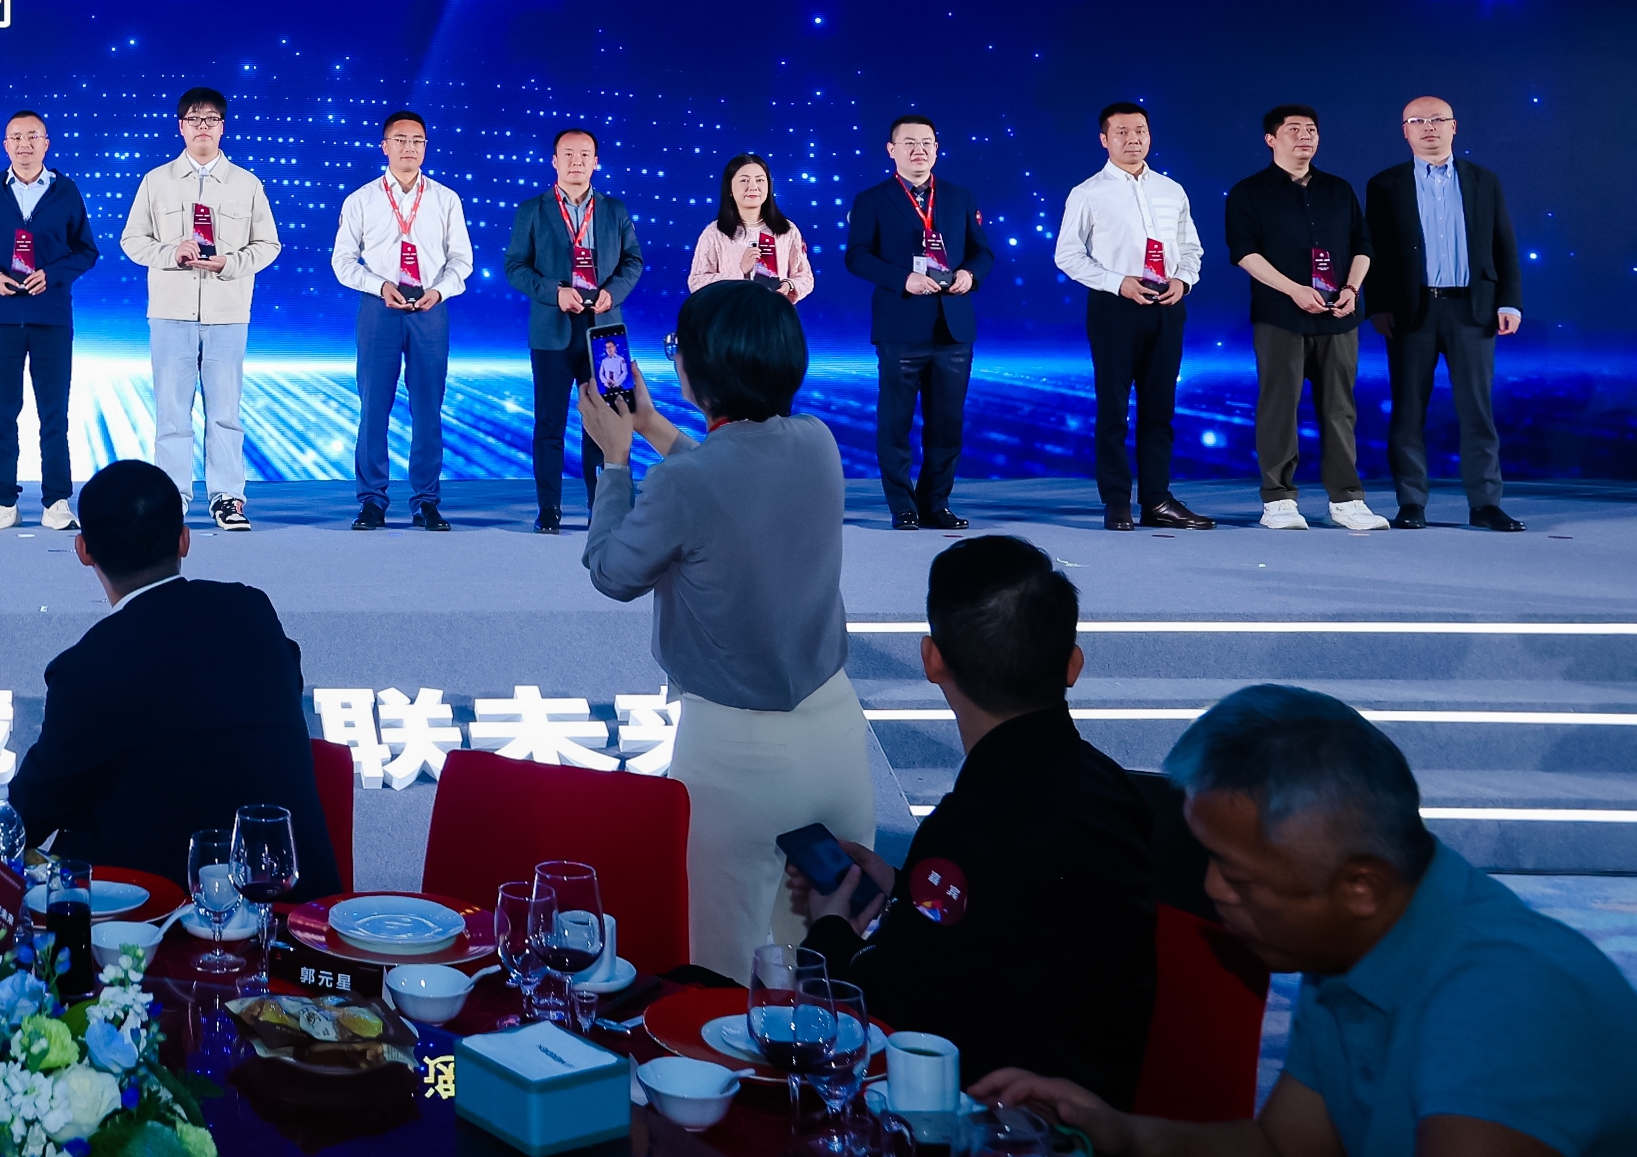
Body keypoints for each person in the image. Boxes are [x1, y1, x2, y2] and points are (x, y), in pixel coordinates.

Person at [975, 684, 1637, 1157]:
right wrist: (1117, 1130)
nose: (1211, 891)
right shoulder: (1359, 944)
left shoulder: (1504, 1004)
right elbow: (1282, 1144)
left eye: (1239, 877)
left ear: (1359, 886)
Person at [786, 537, 1155, 1105]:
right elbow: (1008, 918)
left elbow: (880, 1008)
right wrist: (902, 888)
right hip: (1103, 1101)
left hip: (993, 1117)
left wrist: (829, 929)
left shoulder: (966, 827)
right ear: (1073, 664)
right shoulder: (1118, 791)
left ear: (931, 660)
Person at [577, 280, 871, 978]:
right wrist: (652, 427)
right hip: (835, 731)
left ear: (700, 368)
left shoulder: (688, 484)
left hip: (734, 757)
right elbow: (728, 478)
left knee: (719, 975)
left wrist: (616, 459)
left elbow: (612, 571)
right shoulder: (818, 441)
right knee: (827, 963)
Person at [8, 459, 342, 898]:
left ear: (83, 550)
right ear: (185, 539)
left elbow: (24, 821)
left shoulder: (87, 670)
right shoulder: (253, 611)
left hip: (161, 922)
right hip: (302, 911)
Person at [121, 87, 281, 532]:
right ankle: (170, 499)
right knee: (172, 413)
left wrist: (230, 263)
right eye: (194, 119)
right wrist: (171, 252)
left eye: (211, 119)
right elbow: (132, 241)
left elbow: (269, 245)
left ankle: (227, 498)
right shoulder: (156, 181)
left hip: (227, 313)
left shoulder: (246, 183)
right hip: (170, 312)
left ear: (223, 127)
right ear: (181, 127)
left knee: (225, 412)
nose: (203, 127)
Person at [1366, 98, 1528, 532]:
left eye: (1438, 120)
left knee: (1477, 411)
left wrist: (1509, 301)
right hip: (1410, 312)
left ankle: (1485, 504)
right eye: (1418, 121)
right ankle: (1411, 503)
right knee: (1407, 411)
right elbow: (1374, 252)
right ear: (1405, 130)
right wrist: (1377, 305)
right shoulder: (1384, 184)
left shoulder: (1483, 180)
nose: (1429, 127)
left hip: (1472, 310)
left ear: (1454, 127)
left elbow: (1504, 244)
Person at [1055, 103, 1215, 533]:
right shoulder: (1087, 193)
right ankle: (1116, 501)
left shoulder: (1171, 190)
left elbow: (1192, 248)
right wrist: (1117, 282)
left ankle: (1157, 499)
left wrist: (1184, 280)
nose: (1133, 139)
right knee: (1113, 409)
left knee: (1160, 409)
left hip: (1167, 305)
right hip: (1115, 307)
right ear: (1104, 140)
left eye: (1140, 130)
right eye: (1122, 132)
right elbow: (1067, 255)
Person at [1224, 105, 1380, 535]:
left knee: (1340, 409)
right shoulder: (1249, 192)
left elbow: (1363, 245)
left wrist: (1351, 290)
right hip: (1281, 317)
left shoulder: (1339, 189)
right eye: (1293, 129)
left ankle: (1346, 500)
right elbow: (1244, 253)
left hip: (1339, 317)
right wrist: (1293, 289)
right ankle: (1278, 499)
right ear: (1271, 139)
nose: (1305, 136)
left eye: (1311, 129)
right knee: (1279, 407)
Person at [842, 115, 995, 531]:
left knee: (947, 423)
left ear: (937, 149)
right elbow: (856, 256)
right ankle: (902, 506)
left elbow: (983, 252)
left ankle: (936, 503)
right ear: (891, 150)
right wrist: (902, 279)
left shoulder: (959, 196)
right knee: (895, 423)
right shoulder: (872, 199)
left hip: (953, 326)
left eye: (927, 142)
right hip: (900, 324)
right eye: (909, 143)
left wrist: (970, 275)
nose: (919, 150)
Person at [0, 111, 100, 532]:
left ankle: (56, 501)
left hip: (51, 316)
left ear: (46, 143)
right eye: (16, 137)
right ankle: (3, 501)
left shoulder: (65, 190)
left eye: (32, 136)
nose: (24, 144)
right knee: (3, 412)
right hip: (1, 318)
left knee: (54, 413)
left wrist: (52, 275)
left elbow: (87, 251)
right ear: (5, 145)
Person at [330, 108, 474, 531]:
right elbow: (342, 261)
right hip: (381, 308)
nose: (409, 147)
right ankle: (372, 500)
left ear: (425, 147)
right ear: (384, 146)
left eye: (417, 141)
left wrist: (439, 291)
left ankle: (426, 500)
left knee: (428, 408)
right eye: (401, 140)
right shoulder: (361, 199)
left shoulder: (446, 199)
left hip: (430, 307)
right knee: (373, 406)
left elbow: (462, 260)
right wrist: (378, 286)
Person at [503, 127, 646, 533]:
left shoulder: (614, 209)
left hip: (605, 330)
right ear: (554, 161)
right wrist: (555, 292)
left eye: (585, 154)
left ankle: (603, 506)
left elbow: (633, 262)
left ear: (596, 162)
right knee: (549, 424)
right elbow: (515, 266)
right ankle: (549, 508)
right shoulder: (532, 209)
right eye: (568, 154)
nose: (577, 161)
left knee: (606, 423)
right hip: (552, 330)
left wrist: (612, 293)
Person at [691, 153, 817, 302]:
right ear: (730, 188)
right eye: (744, 180)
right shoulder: (715, 232)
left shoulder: (787, 229)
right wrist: (739, 272)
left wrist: (789, 285)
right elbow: (697, 282)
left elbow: (805, 277)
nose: (753, 187)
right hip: (730, 313)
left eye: (760, 180)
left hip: (773, 312)